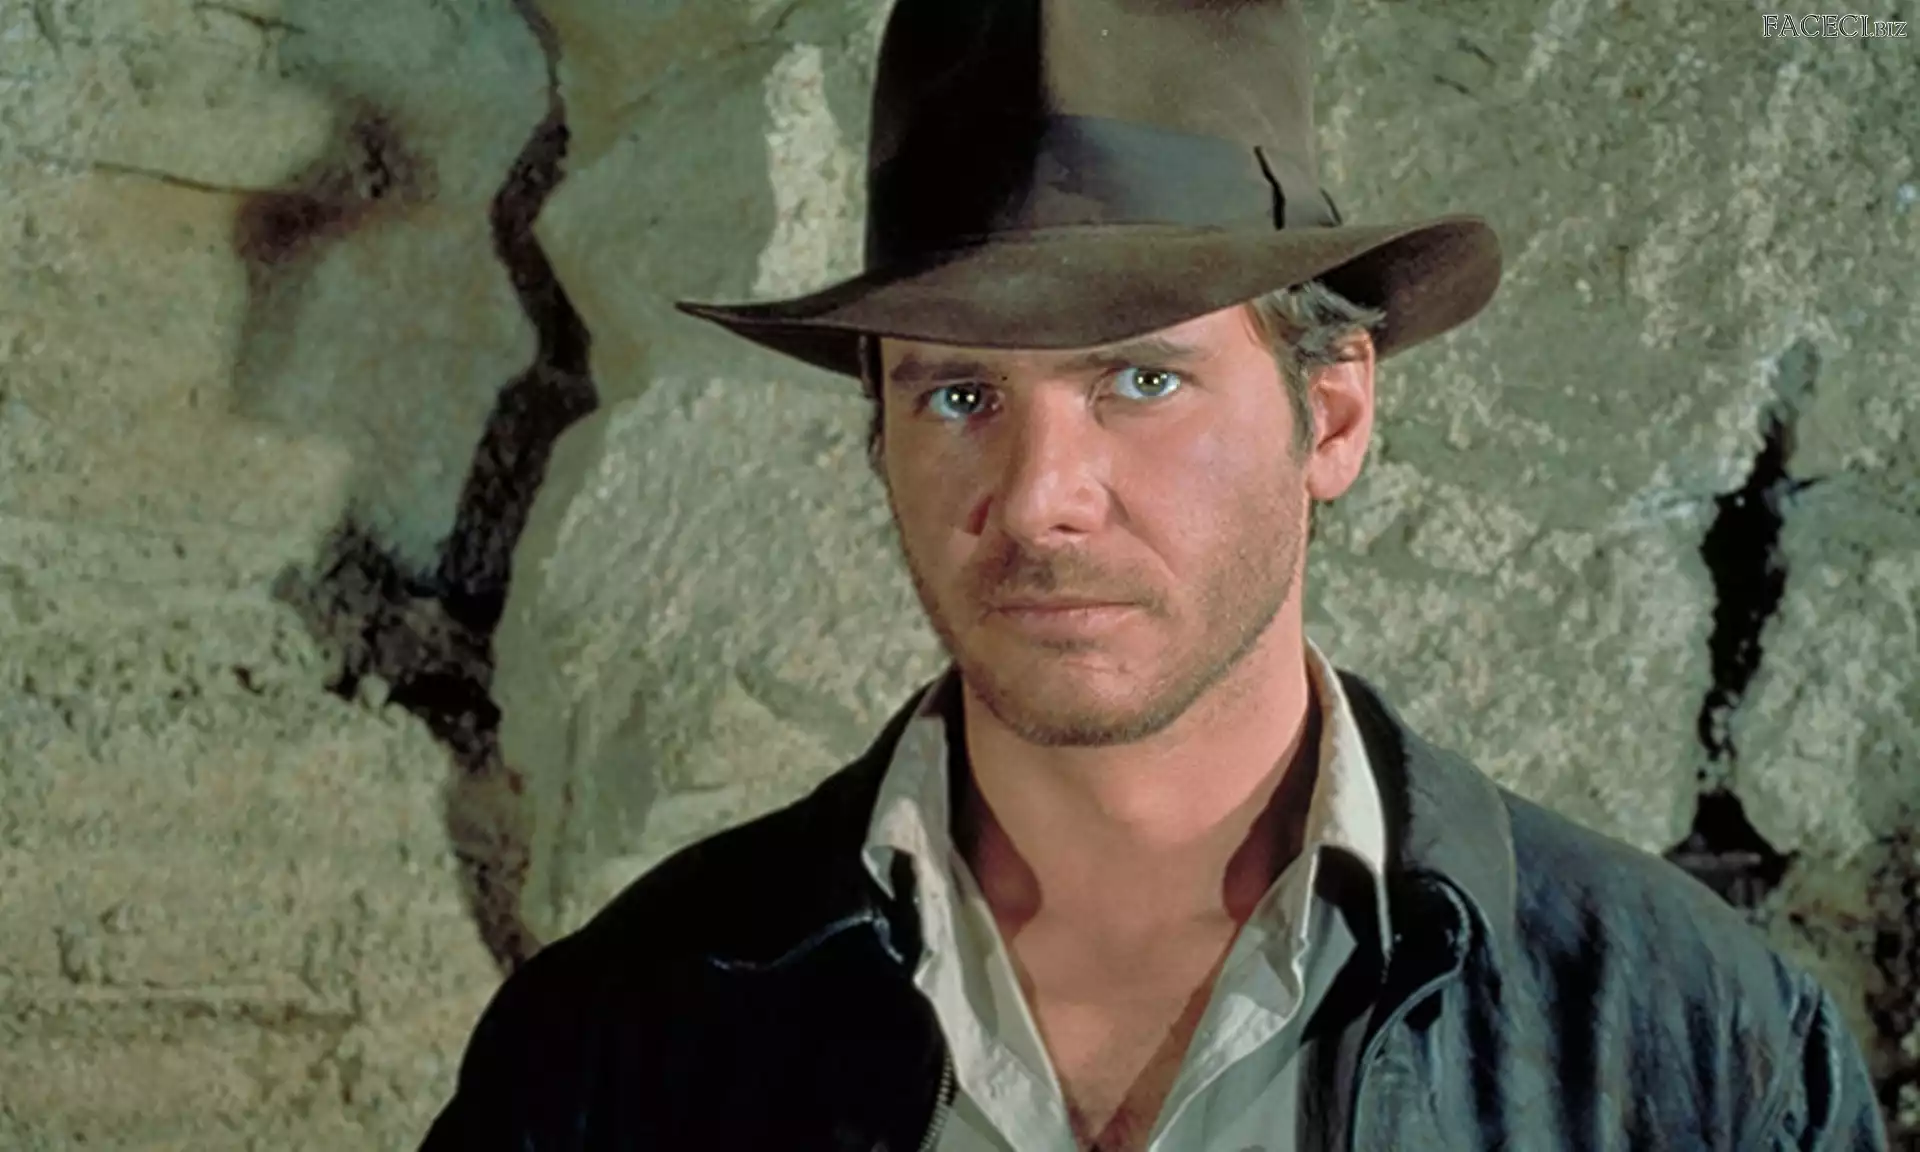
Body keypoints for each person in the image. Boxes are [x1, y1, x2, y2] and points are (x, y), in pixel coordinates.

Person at [422, 0, 1889, 1148]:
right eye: (957, 394)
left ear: (1332, 415)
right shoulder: (617, 1045)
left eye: (1139, 379)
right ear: (877, 433)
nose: (1040, 497)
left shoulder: (1701, 1051)